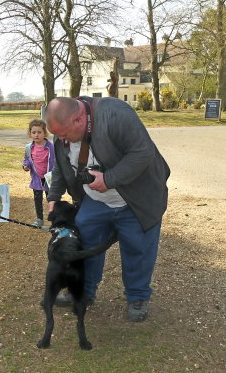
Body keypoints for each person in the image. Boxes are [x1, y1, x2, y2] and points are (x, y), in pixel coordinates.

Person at [45, 96, 170, 322]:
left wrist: (109, 179)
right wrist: (54, 196)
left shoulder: (115, 114)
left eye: (64, 134)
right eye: (59, 136)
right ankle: (83, 291)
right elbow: (59, 165)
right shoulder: (62, 129)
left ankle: (137, 297)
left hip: (136, 198)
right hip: (96, 200)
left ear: (78, 119)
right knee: (84, 243)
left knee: (138, 248)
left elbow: (143, 152)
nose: (61, 140)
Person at [22, 119, 55, 227]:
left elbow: (55, 161)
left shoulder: (51, 147)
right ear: (30, 133)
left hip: (49, 179)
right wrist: (25, 166)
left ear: (45, 133)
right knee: (37, 199)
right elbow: (27, 159)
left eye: (39, 132)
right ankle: (39, 218)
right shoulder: (29, 148)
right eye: (34, 132)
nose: (36, 135)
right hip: (36, 179)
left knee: (51, 198)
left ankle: (55, 218)